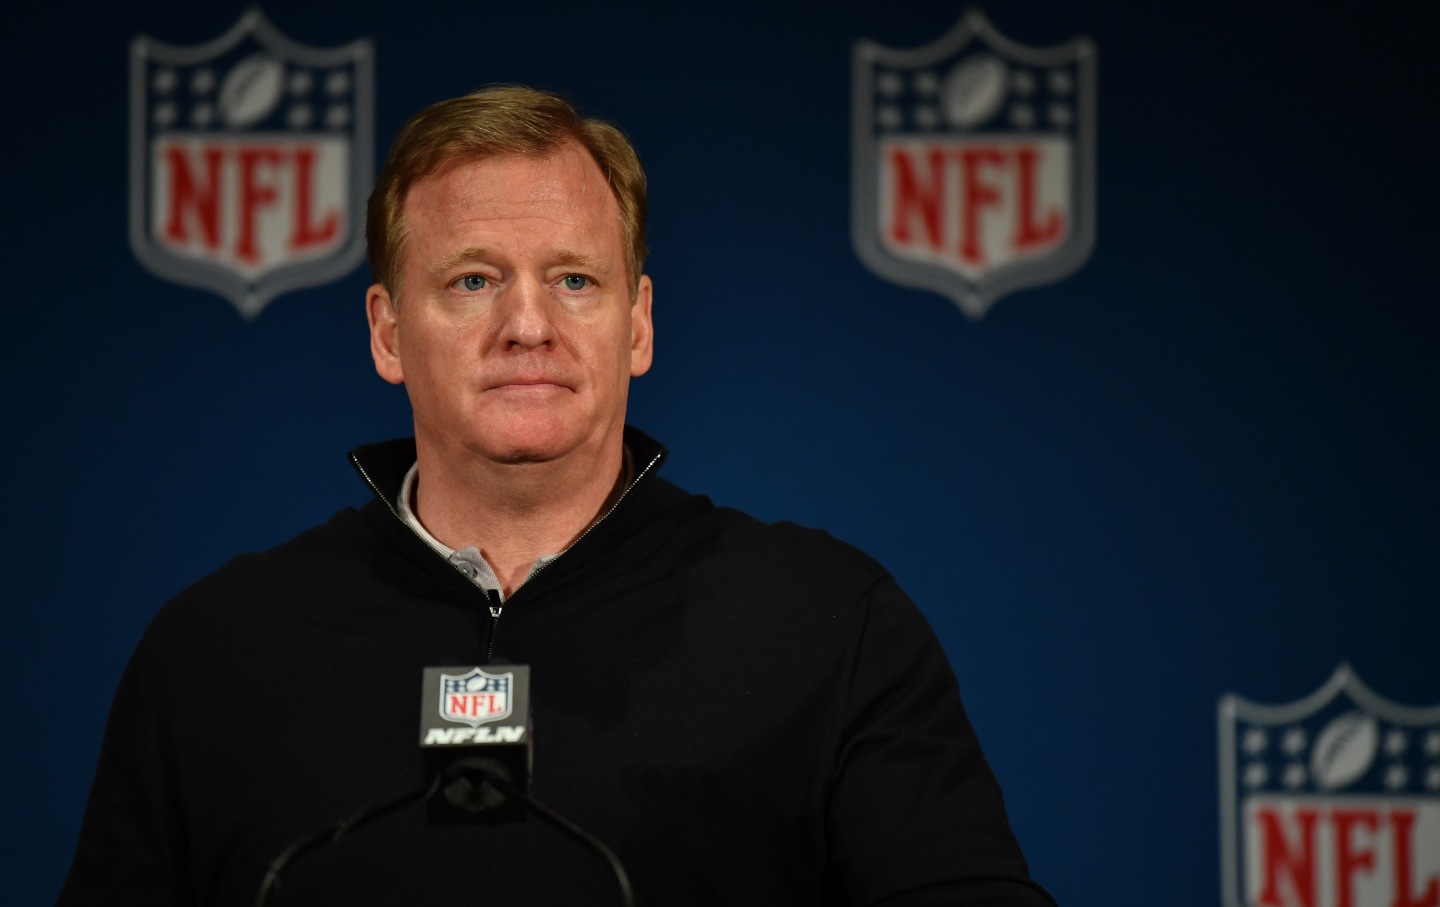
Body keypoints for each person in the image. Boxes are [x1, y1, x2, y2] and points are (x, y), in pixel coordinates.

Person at [60, 86, 1055, 906]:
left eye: (575, 279)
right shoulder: (215, 652)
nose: (528, 324)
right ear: (387, 332)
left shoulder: (832, 625)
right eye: (473, 280)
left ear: (640, 324)